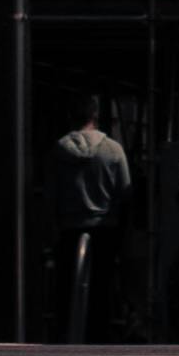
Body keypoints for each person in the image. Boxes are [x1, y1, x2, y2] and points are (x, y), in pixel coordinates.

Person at [57, 106, 138, 339]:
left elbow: (52, 194)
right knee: (102, 286)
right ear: (95, 118)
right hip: (105, 227)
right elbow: (125, 192)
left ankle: (66, 333)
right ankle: (99, 333)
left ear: (71, 118)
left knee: (67, 285)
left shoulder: (59, 151)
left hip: (70, 227)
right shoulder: (113, 150)